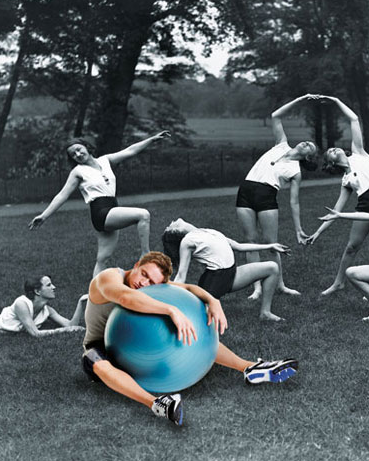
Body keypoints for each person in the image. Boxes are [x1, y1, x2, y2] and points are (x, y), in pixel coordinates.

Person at [81, 250, 299, 427]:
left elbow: (187, 288)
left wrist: (212, 300)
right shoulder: (108, 277)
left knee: (189, 333)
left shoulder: (152, 288)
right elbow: (124, 296)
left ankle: (251, 368)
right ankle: (157, 403)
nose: (143, 283)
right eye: (144, 274)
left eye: (152, 283)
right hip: (103, 347)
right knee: (95, 362)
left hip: (137, 343)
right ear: (137, 265)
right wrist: (171, 310)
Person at [29, 131, 170, 278]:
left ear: (87, 147)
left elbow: (130, 150)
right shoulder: (78, 171)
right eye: (73, 154)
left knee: (102, 260)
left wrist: (152, 139)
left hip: (112, 208)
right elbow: (62, 195)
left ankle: (92, 297)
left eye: (79, 149)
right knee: (143, 215)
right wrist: (44, 216)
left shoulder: (105, 160)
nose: (77, 154)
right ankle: (145, 255)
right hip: (100, 212)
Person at [307, 95, 369, 298]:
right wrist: (318, 232)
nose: (334, 148)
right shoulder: (345, 180)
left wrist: (335, 100)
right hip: (365, 202)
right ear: (330, 163)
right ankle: (338, 283)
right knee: (352, 246)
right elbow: (336, 211)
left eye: (334, 147)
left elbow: (354, 119)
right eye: (330, 151)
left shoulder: (359, 153)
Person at [235, 94, 318, 300]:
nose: (306, 143)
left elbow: (294, 202)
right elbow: (275, 115)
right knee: (250, 241)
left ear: (308, 157)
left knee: (271, 242)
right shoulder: (281, 144)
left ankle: (280, 284)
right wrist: (301, 99)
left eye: (310, 146)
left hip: (266, 195)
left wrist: (298, 229)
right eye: (306, 141)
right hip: (246, 189)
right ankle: (256, 287)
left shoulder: (295, 171)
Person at [0, 213, 86, 335]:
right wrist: (63, 331)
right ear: (37, 291)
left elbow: (70, 325)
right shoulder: (22, 304)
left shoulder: (47, 310)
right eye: (49, 285)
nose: (54, 287)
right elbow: (35, 334)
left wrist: (81, 302)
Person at [161, 219, 291, 321]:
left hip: (231, 275)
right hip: (215, 281)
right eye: (173, 226)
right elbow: (181, 276)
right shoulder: (187, 241)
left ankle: (265, 313)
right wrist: (170, 299)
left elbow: (238, 246)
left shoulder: (207, 232)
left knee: (272, 268)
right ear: (179, 233)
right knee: (200, 317)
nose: (175, 221)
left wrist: (270, 246)